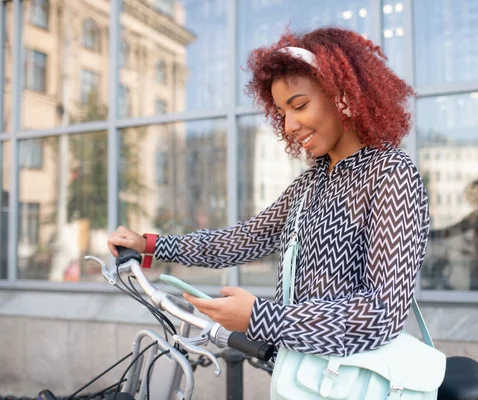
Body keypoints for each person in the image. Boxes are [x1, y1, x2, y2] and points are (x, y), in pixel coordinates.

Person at [108, 27, 430, 357]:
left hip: (351, 384)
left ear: (344, 97)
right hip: (302, 377)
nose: (289, 126)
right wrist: (150, 245)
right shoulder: (313, 182)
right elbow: (242, 240)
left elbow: (382, 314)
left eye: (299, 105)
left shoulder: (391, 173)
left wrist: (259, 318)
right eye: (282, 113)